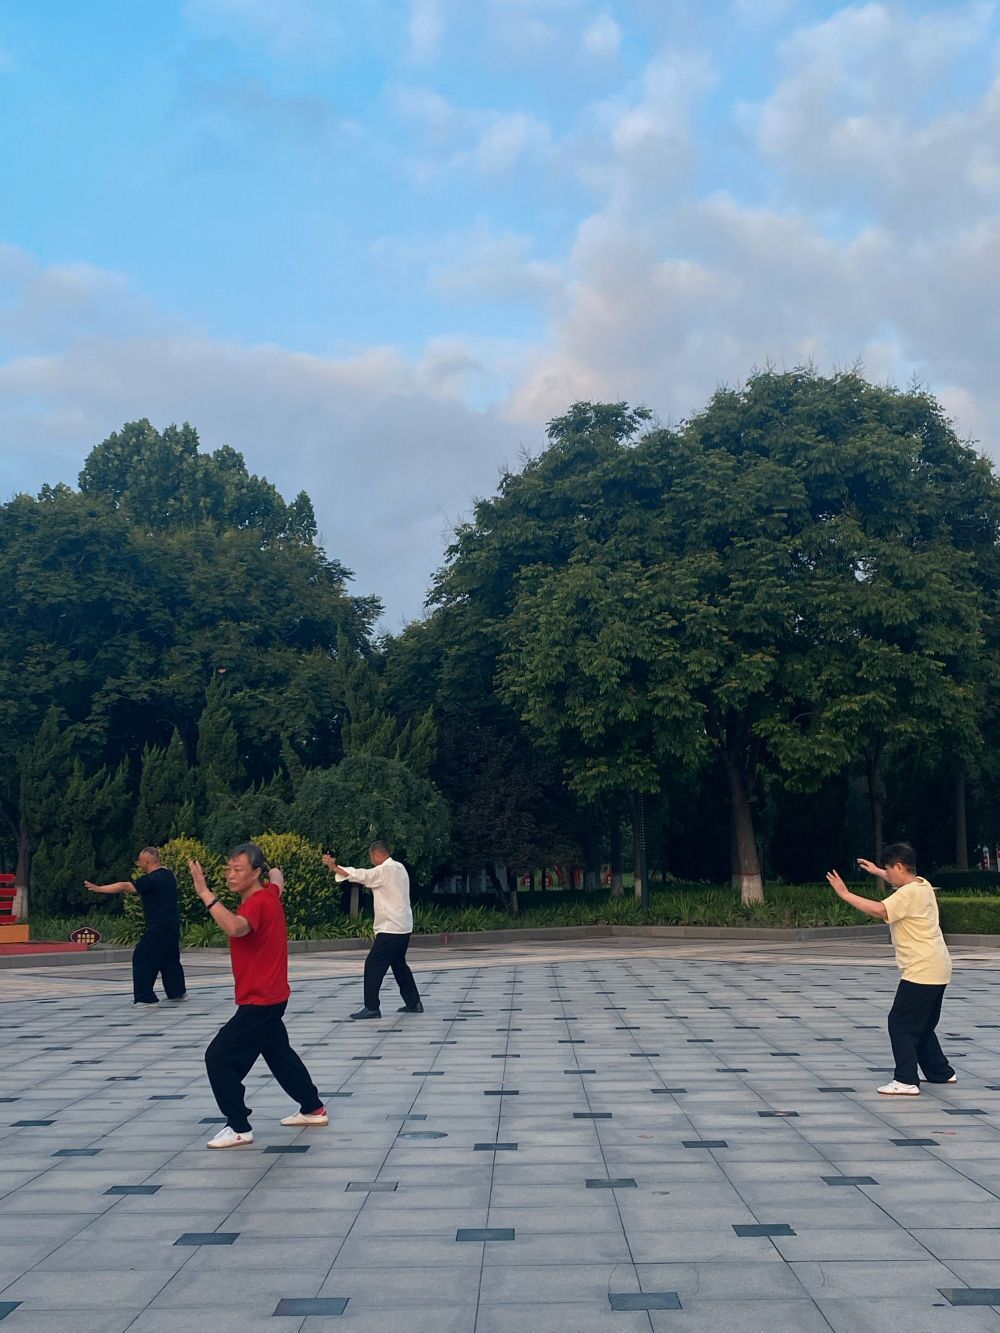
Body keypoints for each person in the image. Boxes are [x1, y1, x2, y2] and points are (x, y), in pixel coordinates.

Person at [190, 843, 327, 1148]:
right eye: (229, 868)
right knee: (279, 1054)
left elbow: (236, 928)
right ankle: (313, 1108)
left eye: (238, 870)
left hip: (260, 1001)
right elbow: (278, 879)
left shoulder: (255, 904)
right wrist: (275, 872)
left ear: (255, 873)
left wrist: (204, 892)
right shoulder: (269, 894)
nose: (230, 875)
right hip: (274, 996)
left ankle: (238, 1126)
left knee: (218, 1057)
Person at [827, 841, 955, 1096]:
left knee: (900, 1023)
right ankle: (941, 1072)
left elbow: (879, 910)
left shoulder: (906, 894)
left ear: (899, 866)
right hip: (938, 967)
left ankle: (906, 1080)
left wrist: (844, 893)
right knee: (923, 1025)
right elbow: (895, 879)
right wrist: (876, 871)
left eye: (889, 868)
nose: (888, 874)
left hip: (921, 970)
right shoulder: (922, 884)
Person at [323, 840, 422, 1020]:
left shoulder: (385, 870)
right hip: (404, 926)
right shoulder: (400, 868)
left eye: (372, 858)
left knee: (373, 964)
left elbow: (362, 875)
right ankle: (414, 1002)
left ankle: (372, 1007)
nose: (372, 861)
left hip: (390, 928)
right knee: (399, 964)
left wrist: (334, 867)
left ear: (377, 855)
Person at [85, 846, 186, 1006]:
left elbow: (124, 886)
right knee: (169, 959)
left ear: (146, 861)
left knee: (141, 957)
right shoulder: (168, 875)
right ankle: (177, 992)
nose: (138, 864)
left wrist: (99, 889)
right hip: (172, 925)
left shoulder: (151, 879)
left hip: (158, 926)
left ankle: (145, 996)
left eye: (139, 861)